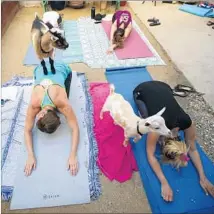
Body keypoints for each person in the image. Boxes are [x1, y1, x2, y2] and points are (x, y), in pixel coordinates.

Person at [133, 81, 214, 202]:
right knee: (146, 119)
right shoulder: (156, 129)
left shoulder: (187, 122)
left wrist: (203, 177)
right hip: (142, 89)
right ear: (161, 143)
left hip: (165, 86)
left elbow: (192, 149)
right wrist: (164, 182)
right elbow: (150, 155)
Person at [24, 62, 79, 177]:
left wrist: (73, 155)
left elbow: (75, 129)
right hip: (41, 68)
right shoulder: (35, 105)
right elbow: (27, 130)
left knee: (64, 93)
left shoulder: (63, 105)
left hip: (56, 68)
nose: (36, 117)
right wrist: (30, 155)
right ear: (43, 114)